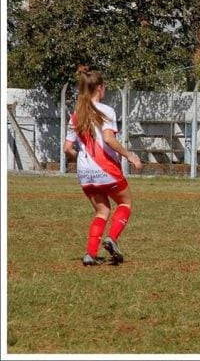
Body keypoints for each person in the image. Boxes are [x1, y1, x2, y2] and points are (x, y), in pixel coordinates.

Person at [63, 68, 143, 266]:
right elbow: (108, 139)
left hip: (85, 173)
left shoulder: (76, 115)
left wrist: (83, 159)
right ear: (99, 88)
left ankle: (90, 254)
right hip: (106, 169)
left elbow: (67, 149)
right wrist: (130, 156)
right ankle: (112, 238)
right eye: (104, 86)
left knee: (102, 211)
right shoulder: (106, 110)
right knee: (125, 203)